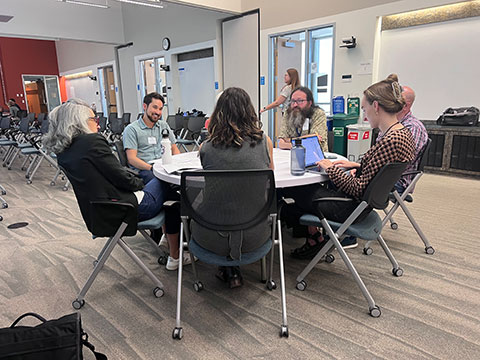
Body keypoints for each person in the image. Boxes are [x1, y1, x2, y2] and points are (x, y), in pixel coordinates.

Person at [43, 98, 192, 271]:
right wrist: (141, 183)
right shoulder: (92, 142)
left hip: (99, 212)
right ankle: (177, 247)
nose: (98, 125)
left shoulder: (65, 150)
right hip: (125, 208)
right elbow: (123, 178)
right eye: (94, 120)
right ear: (78, 122)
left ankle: (170, 240)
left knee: (170, 197)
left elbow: (112, 175)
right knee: (166, 182)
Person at [281, 74, 416, 259]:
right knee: (306, 190)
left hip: (349, 209)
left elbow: (357, 188)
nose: (365, 115)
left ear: (376, 106)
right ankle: (313, 237)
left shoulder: (390, 140)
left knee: (292, 192)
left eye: (364, 108)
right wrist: (357, 165)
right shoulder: (401, 133)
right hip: (362, 206)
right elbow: (379, 172)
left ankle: (310, 238)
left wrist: (330, 168)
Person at [195, 87, 274, 288]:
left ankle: (227, 270)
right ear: (250, 112)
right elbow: (267, 180)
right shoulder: (265, 142)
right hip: (255, 235)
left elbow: (221, 184)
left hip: (211, 237)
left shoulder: (206, 148)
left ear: (218, 113)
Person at [377, 83, 428, 194]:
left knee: (343, 183)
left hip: (396, 181)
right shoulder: (390, 123)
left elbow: (397, 162)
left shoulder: (413, 127)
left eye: (394, 101)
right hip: (383, 174)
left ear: (405, 106)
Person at [123, 92, 180, 184]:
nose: (158, 112)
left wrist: (178, 164)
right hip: (145, 169)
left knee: (186, 178)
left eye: (160, 109)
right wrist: (152, 168)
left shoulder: (163, 125)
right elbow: (132, 159)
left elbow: (174, 148)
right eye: (155, 107)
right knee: (160, 181)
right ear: (145, 106)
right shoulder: (132, 129)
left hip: (164, 166)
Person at [278, 86, 328, 152]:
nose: (295, 105)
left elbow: (314, 142)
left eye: (300, 101)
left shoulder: (318, 114)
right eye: (293, 101)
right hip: (291, 154)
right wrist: (300, 143)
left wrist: (289, 140)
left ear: (309, 103)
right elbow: (281, 142)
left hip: (316, 155)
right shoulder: (288, 113)